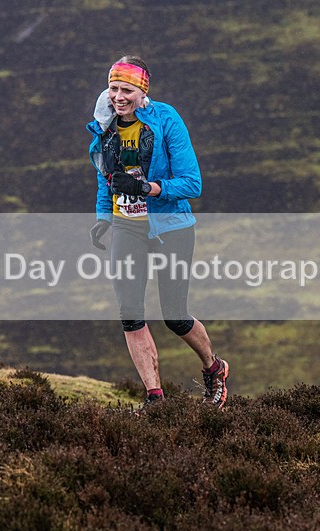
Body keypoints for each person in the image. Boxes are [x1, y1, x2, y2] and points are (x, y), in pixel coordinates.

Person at [86, 55, 229, 409]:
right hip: (126, 227)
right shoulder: (103, 124)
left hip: (171, 227)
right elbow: (108, 178)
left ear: (142, 92)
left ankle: (214, 368)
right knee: (130, 314)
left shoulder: (166, 119)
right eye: (113, 88)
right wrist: (104, 216)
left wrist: (149, 189)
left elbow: (192, 183)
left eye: (127, 90)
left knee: (174, 315)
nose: (118, 97)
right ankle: (155, 398)